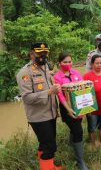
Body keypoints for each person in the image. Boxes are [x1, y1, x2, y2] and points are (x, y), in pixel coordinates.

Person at [16, 42, 65, 170]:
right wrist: (49, 92)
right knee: (49, 146)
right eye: (39, 53)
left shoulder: (45, 68)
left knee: (46, 145)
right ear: (31, 54)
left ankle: (49, 166)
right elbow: (26, 98)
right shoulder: (24, 73)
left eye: (45, 52)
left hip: (51, 113)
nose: (43, 55)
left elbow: (50, 85)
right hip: (39, 117)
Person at [54, 52, 89, 170]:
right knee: (79, 131)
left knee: (76, 128)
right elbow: (60, 95)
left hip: (79, 106)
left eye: (69, 61)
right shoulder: (57, 77)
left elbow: (84, 88)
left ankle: (72, 142)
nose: (68, 64)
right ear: (59, 63)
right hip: (66, 108)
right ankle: (80, 161)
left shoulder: (76, 73)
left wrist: (87, 106)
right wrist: (68, 109)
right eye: (65, 62)